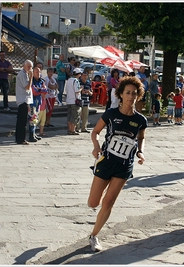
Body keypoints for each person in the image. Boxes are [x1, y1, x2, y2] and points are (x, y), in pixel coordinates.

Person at [87, 76, 147, 252]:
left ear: (138, 96)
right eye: (127, 93)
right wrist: (96, 147)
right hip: (106, 162)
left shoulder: (141, 120)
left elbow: (141, 137)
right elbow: (96, 132)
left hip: (124, 165)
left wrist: (140, 151)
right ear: (121, 94)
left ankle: (94, 235)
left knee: (109, 201)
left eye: (134, 93)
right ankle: (100, 194)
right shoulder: (111, 114)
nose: (131, 96)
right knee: (93, 203)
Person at [15, 60, 33, 145]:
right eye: (28, 66)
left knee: (23, 120)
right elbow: (27, 87)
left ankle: (20, 138)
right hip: (22, 100)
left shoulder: (25, 74)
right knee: (22, 121)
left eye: (31, 67)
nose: (30, 68)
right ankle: (21, 139)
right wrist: (31, 77)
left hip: (26, 100)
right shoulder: (22, 74)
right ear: (24, 66)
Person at [29, 67, 46, 142]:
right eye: (36, 72)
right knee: (32, 119)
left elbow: (46, 90)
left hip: (39, 102)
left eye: (39, 72)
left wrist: (39, 89)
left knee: (36, 119)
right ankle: (31, 135)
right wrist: (40, 90)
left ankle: (34, 133)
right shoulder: (31, 81)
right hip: (32, 103)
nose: (38, 74)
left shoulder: (41, 81)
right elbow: (34, 91)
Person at [65, 68, 83, 135]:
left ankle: (69, 129)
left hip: (69, 100)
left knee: (69, 116)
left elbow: (66, 90)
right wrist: (81, 88)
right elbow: (77, 91)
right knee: (75, 116)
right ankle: (73, 130)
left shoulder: (69, 80)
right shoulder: (76, 81)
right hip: (75, 101)